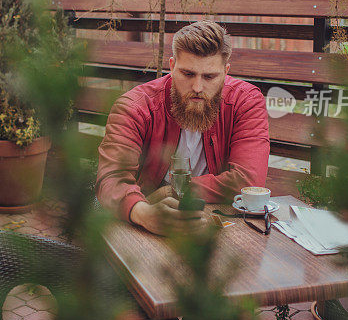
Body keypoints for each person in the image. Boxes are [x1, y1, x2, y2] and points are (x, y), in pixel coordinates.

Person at [95, 21, 270, 235]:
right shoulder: (134, 107)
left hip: (217, 223)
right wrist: (143, 213)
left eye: (209, 77)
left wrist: (175, 190)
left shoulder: (246, 101)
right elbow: (112, 178)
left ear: (226, 72)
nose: (197, 87)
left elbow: (248, 180)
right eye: (187, 74)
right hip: (144, 220)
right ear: (172, 66)